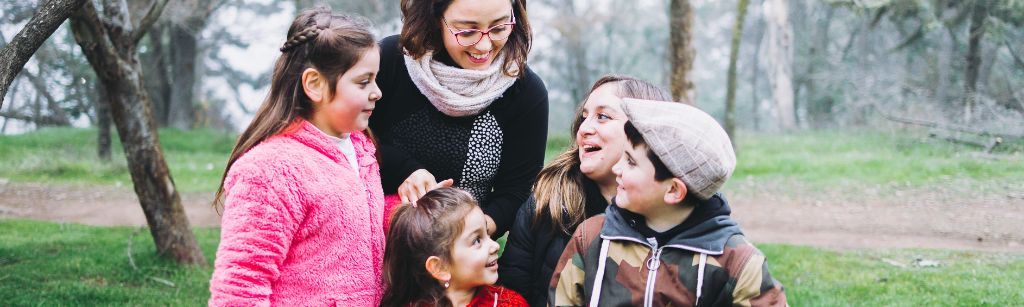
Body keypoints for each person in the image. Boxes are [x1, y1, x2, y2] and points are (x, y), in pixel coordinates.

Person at [208, 7, 386, 306]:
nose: (377, 92)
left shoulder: (361, 149)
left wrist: (410, 211)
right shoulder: (271, 170)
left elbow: (354, 224)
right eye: (363, 82)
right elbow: (240, 285)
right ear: (315, 84)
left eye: (376, 79)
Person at [549, 99, 788, 306]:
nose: (616, 168)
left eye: (631, 162)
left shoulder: (738, 263)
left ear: (673, 190)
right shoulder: (592, 237)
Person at [369, 0, 548, 237]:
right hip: (373, 239)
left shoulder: (526, 92)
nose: (484, 45)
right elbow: (351, 138)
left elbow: (516, 191)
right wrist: (405, 171)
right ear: (434, 18)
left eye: (499, 28)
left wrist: (467, 236)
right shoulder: (390, 60)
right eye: (467, 31)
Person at [498, 75, 671, 307]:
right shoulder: (547, 202)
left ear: (645, 131)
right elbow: (510, 294)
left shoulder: (684, 216)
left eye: (603, 116)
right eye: (584, 117)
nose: (584, 129)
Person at [381, 188, 528, 307]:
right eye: (477, 240)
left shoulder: (509, 303)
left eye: (487, 234)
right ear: (440, 267)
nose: (495, 245)